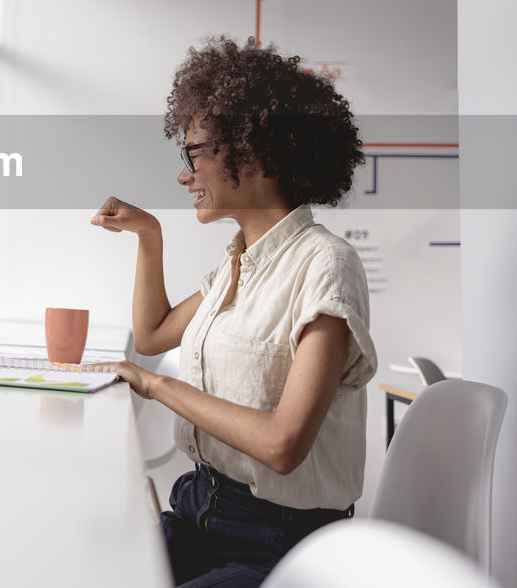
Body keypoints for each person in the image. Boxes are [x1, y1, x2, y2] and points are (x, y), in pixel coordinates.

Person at [91, 36, 376, 587]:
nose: (185, 173)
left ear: (255, 152)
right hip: (200, 511)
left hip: (282, 545)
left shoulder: (326, 265)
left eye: (194, 153)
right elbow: (151, 335)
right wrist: (149, 235)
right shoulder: (237, 266)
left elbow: (283, 445)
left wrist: (155, 388)